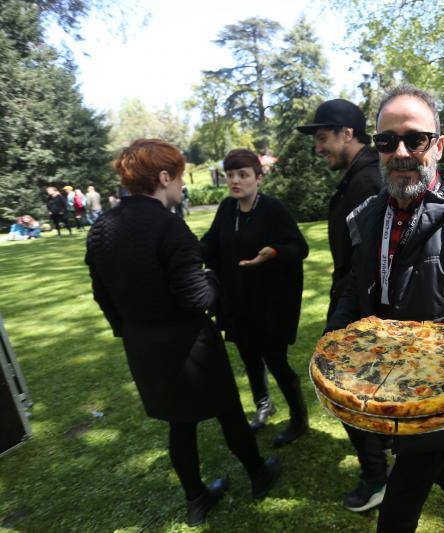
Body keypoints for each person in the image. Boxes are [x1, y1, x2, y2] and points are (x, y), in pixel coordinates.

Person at [327, 85, 444, 533]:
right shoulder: (370, 215)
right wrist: (336, 340)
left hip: (435, 395)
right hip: (382, 387)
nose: (401, 152)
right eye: (387, 142)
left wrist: (416, 375)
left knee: (400, 504)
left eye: (416, 139)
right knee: (439, 461)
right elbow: (354, 285)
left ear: (438, 145)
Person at [85, 139, 281, 527]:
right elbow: (197, 297)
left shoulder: (101, 227)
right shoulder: (167, 225)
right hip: (189, 343)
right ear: (162, 178)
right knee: (227, 412)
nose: (180, 186)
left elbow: (101, 293)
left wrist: (128, 330)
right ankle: (258, 474)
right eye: (177, 177)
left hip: (143, 345)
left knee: (180, 422)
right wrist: (214, 278)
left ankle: (196, 498)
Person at [297, 99, 388, 512]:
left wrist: (341, 319)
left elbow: (367, 259)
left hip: (360, 305)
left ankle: (376, 477)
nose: (318, 148)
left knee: (342, 390)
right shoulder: (361, 175)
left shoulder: (366, 180)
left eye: (322, 138)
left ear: (347, 133)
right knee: (369, 387)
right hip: (360, 301)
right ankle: (390, 449)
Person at [200, 149, 310, 445]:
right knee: (249, 358)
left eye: (243, 175)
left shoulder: (272, 209)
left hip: (269, 304)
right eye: (230, 175)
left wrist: (273, 252)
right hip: (236, 301)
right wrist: (190, 253)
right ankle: (264, 405)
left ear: (258, 178)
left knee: (276, 361)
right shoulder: (227, 208)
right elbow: (211, 242)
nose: (235, 181)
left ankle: (299, 418)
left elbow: (299, 247)